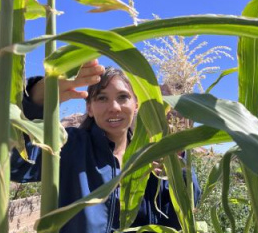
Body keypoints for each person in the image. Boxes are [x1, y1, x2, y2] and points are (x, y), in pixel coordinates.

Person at [10, 60, 201, 233]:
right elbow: (14, 164)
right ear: (89, 108)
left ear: (136, 105)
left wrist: (180, 167)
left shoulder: (151, 156)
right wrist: (37, 98)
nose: (114, 107)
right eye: (102, 98)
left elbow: (177, 218)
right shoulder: (68, 146)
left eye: (123, 97)